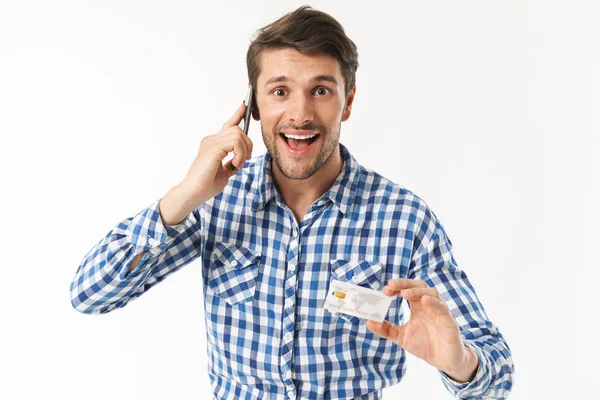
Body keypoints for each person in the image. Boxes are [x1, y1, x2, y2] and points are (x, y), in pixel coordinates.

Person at [70, 5, 514, 399]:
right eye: (280, 91)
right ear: (253, 106)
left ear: (348, 101)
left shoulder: (405, 219)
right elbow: (90, 294)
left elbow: (499, 375)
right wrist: (185, 193)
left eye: (320, 90)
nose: (300, 113)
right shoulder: (214, 203)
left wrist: (459, 365)